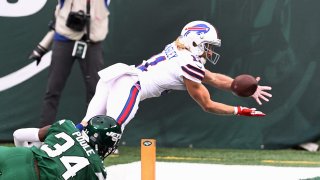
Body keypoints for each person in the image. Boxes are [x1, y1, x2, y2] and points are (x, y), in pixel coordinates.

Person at [80, 20, 272, 132]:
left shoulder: (180, 48)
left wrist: (237, 87)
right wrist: (239, 110)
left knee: (86, 127)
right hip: (130, 86)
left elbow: (213, 78)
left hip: (118, 78)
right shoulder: (189, 63)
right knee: (108, 133)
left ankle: (51, 146)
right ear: (196, 42)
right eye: (208, 45)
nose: (210, 50)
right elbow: (208, 105)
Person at [32, 0, 112, 127]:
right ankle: (43, 137)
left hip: (93, 42)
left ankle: (95, 137)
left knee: (96, 92)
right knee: (53, 89)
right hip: (64, 39)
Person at [2, 115, 121, 180]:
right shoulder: (97, 169)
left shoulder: (66, 126)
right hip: (31, 176)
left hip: (16, 155)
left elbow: (18, 134)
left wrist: (25, 152)